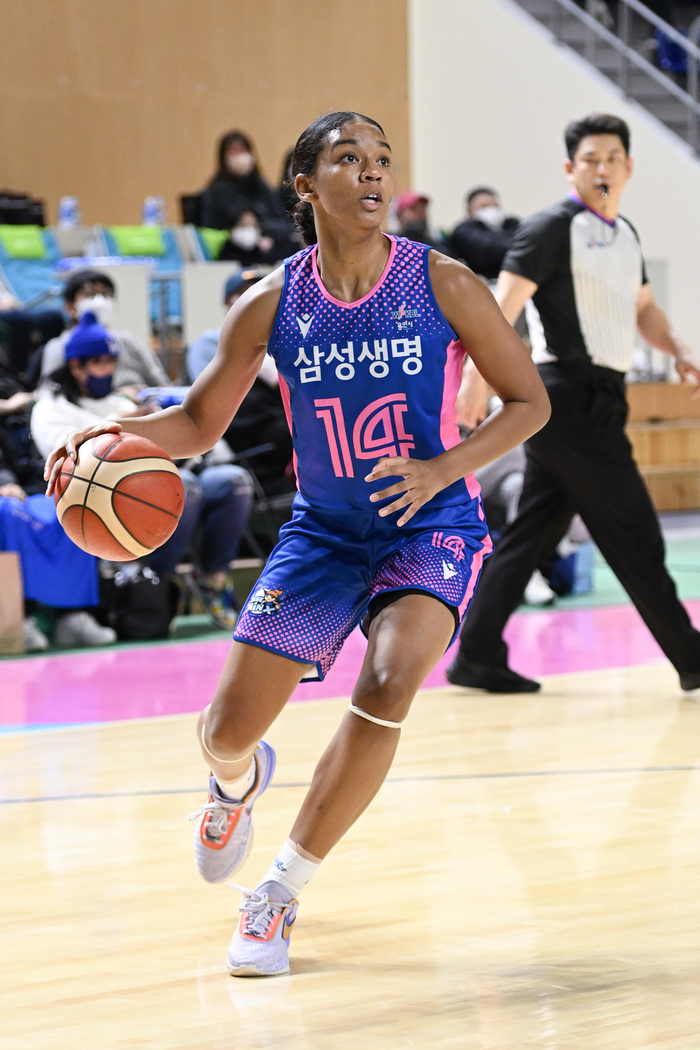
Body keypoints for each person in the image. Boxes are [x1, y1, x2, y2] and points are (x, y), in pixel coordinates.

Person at [45, 111, 549, 977]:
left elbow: (529, 402)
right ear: (306, 185)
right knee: (224, 732)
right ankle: (235, 782)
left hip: (431, 526)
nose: (373, 173)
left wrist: (441, 469)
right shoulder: (271, 301)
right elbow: (199, 421)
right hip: (323, 535)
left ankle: (278, 891)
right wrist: (109, 437)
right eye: (350, 159)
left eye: (382, 159)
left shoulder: (445, 282)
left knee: (388, 684)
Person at [447, 113, 700, 695]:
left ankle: (477, 653)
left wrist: (682, 351)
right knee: (634, 531)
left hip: (604, 395)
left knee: (533, 531)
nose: (602, 168)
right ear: (570, 168)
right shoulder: (549, 228)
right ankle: (691, 656)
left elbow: (644, 309)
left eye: (612, 158)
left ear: (628, 167)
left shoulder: (625, 234)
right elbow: (500, 308)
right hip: (564, 396)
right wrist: (477, 378)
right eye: (590, 159)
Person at [35, 313, 254, 631]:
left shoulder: (123, 399)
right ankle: (157, 584)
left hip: (170, 470)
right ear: (76, 366)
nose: (107, 369)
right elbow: (64, 457)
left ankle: (213, 578)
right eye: (98, 362)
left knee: (234, 481)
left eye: (111, 361)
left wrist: (145, 418)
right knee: (187, 488)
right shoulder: (52, 406)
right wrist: (122, 423)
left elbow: (189, 435)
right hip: (101, 492)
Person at [187, 270, 293, 496]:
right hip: (250, 436)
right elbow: (208, 400)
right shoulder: (211, 341)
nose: (255, 300)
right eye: (244, 294)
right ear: (227, 304)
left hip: (280, 427)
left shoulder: (281, 340)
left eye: (260, 293)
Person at [40, 269, 169, 395]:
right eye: (89, 295)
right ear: (70, 306)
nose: (99, 301)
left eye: (105, 294)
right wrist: (120, 396)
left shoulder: (128, 341)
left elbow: (161, 384)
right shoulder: (60, 346)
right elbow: (49, 393)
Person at [200, 130, 297, 260]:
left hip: (270, 242)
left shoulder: (260, 185)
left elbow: (280, 218)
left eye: (243, 150)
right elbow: (235, 223)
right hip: (234, 252)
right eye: (234, 151)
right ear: (224, 157)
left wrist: (260, 223)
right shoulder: (218, 190)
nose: (241, 156)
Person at [449, 187, 520, 282]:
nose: (491, 210)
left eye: (495, 206)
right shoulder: (463, 231)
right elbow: (486, 251)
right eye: (484, 206)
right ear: (469, 211)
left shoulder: (511, 224)